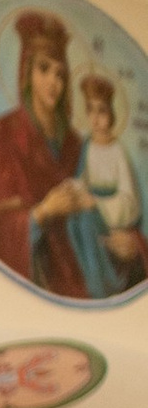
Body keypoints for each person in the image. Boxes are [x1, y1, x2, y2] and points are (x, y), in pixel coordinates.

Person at [0, 10, 119, 297]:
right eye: (44, 69)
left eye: (60, 74)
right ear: (26, 72)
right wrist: (43, 212)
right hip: (40, 276)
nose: (53, 82)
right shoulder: (4, 135)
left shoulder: (76, 144)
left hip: (83, 263)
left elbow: (98, 214)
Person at [78, 72, 148, 285]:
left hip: (112, 222)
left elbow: (131, 202)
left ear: (111, 113)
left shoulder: (118, 151)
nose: (96, 118)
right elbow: (80, 181)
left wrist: (98, 205)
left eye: (102, 110)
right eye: (90, 110)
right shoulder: (86, 147)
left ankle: (104, 283)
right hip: (88, 217)